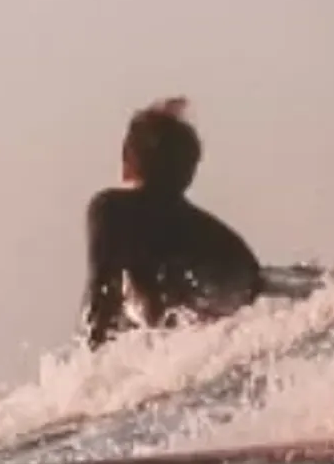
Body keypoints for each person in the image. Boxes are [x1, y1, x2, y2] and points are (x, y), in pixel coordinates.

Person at [83, 98, 265, 344]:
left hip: (168, 358)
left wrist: (94, 367)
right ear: (189, 171)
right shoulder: (227, 243)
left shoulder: (113, 210)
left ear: (128, 156)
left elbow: (103, 295)